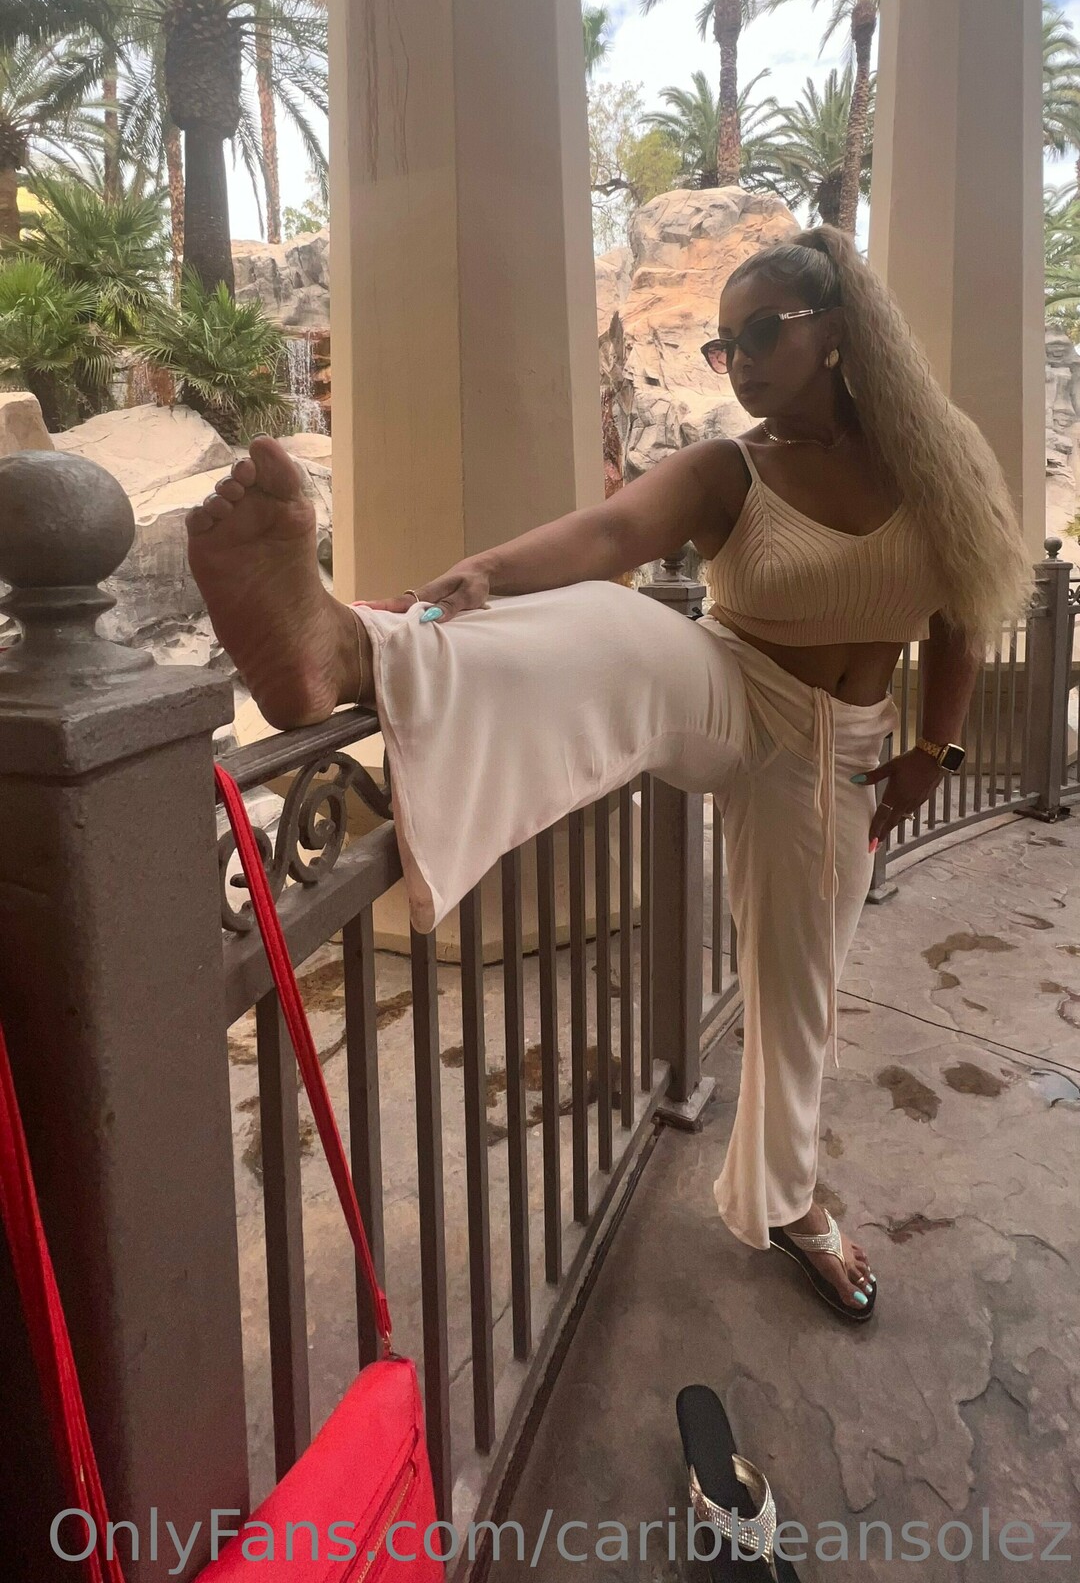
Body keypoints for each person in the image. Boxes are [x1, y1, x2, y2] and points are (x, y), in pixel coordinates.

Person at [186, 224, 1034, 1321]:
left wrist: (934, 752)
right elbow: (608, 534)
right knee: (616, 628)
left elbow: (965, 612)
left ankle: (786, 1199)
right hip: (729, 685)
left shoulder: (932, 462)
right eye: (725, 345)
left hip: (844, 755)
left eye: (762, 333)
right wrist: (481, 572)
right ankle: (348, 653)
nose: (739, 361)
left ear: (834, 331)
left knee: (800, 995)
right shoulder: (732, 468)